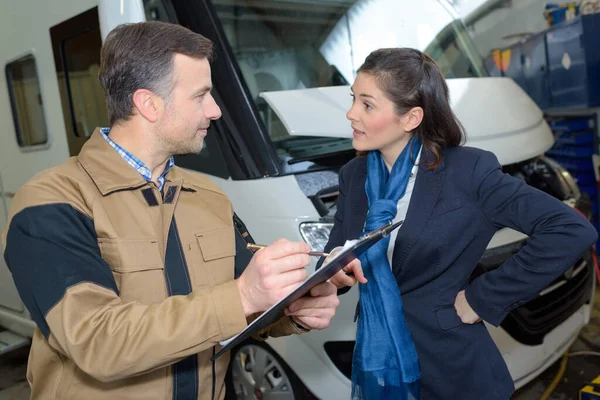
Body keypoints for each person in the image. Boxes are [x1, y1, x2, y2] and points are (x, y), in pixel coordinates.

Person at [1, 21, 344, 400]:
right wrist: (243, 296)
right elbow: (97, 341)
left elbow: (243, 303)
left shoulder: (208, 196)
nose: (214, 111)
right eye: (201, 95)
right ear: (149, 104)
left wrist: (294, 309)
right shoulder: (51, 200)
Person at [323, 48, 598, 399]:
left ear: (411, 118)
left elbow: (569, 230)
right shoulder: (353, 175)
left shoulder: (468, 172)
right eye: (353, 100)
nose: (350, 114)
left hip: (452, 367)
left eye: (367, 104)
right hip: (377, 362)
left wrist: (482, 299)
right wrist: (332, 268)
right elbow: (338, 249)